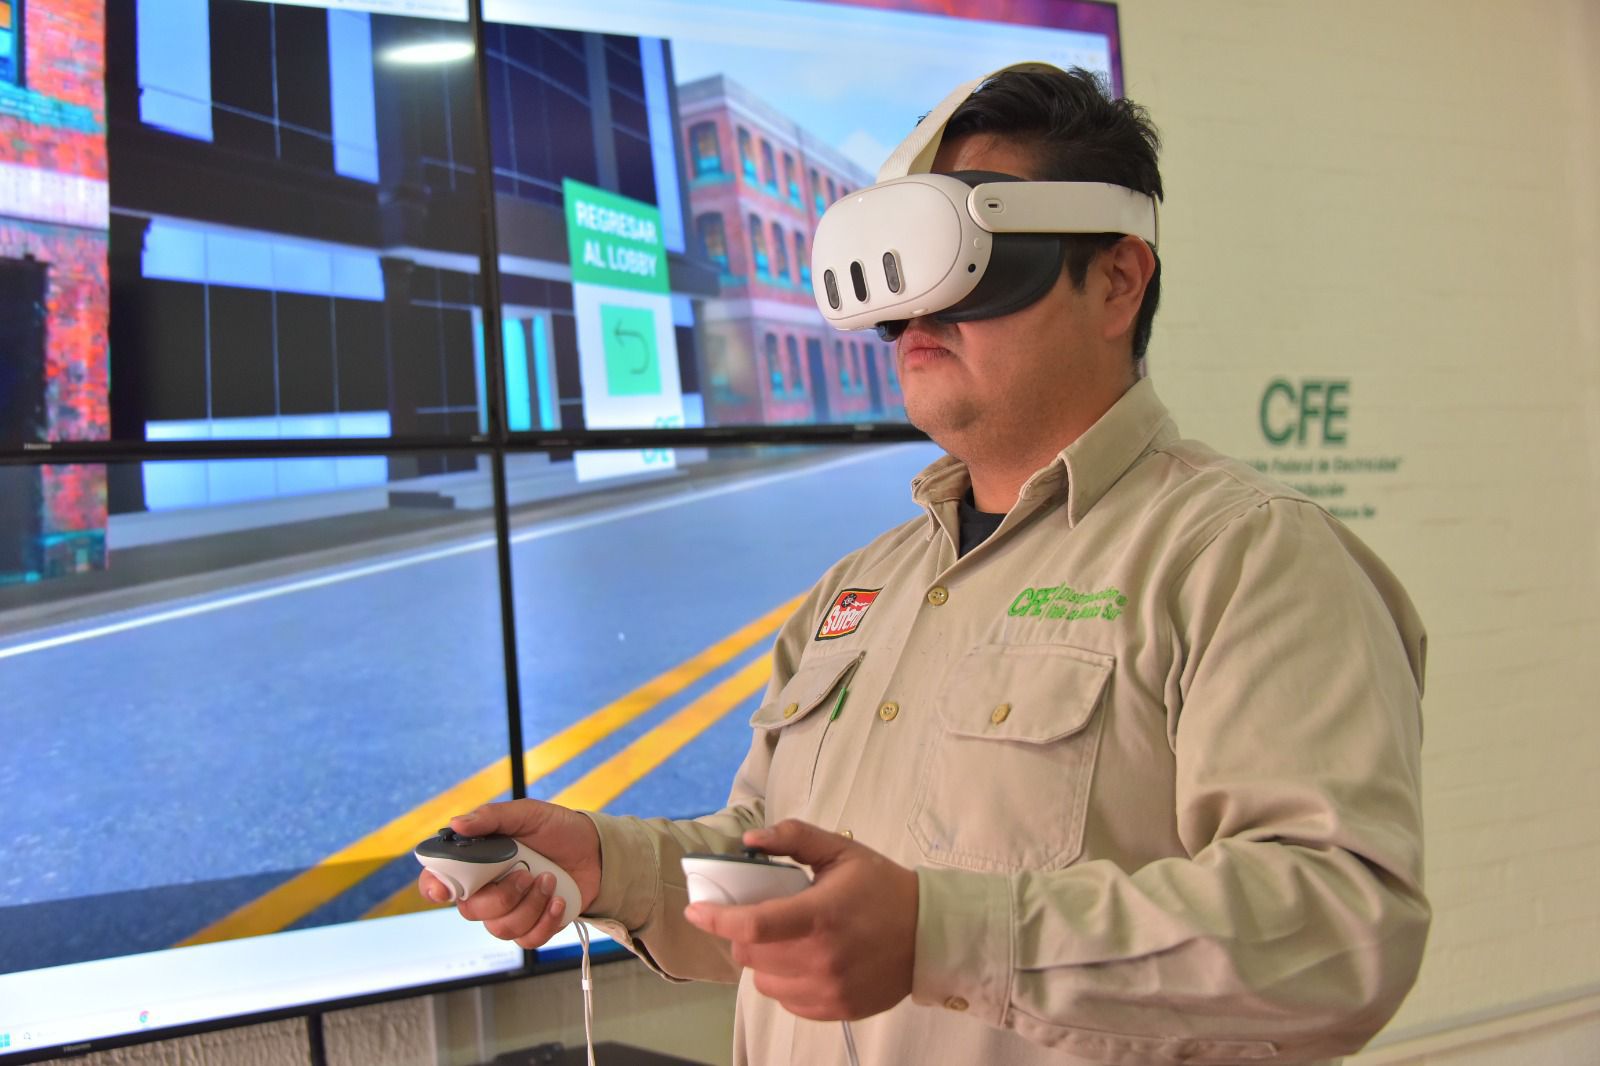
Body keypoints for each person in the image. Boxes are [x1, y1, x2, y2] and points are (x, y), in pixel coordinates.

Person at [420, 66, 1429, 1065]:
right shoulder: (859, 588)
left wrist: (940, 936)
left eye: (969, 260)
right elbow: (777, 866)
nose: (916, 309)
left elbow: (1341, 930)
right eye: (901, 273)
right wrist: (614, 867)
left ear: (1118, 280)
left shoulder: (1242, 557)